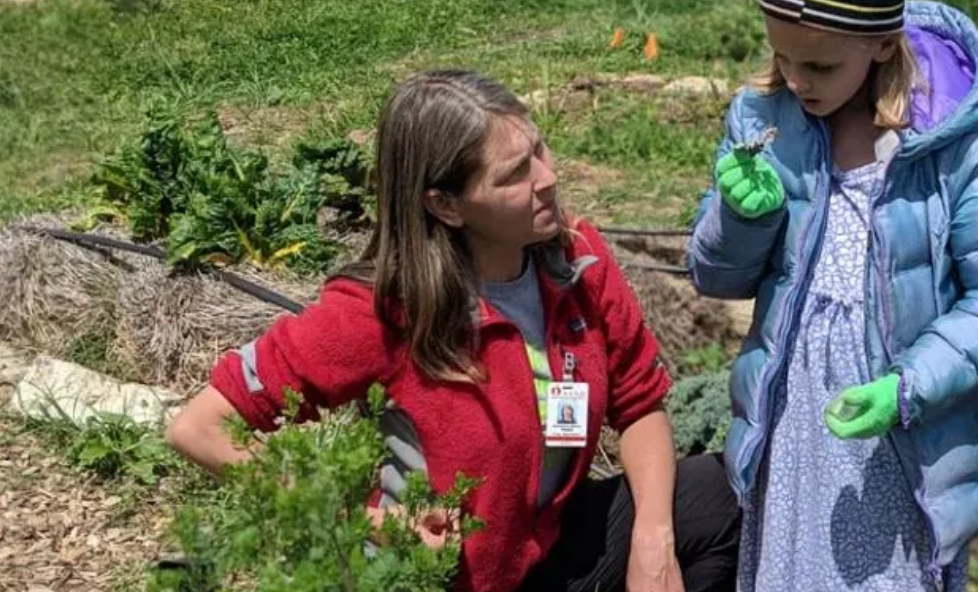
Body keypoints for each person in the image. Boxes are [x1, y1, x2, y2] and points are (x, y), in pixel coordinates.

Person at [165, 69, 741, 592]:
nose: (548, 177)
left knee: (715, 498)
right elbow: (201, 427)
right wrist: (363, 523)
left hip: (546, 552)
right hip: (444, 578)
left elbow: (640, 405)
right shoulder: (385, 311)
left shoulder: (577, 262)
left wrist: (653, 541)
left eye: (539, 149)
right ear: (445, 205)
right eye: (515, 173)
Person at [686, 0, 978, 592]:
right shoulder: (766, 120)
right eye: (782, 56)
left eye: (819, 67)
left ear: (881, 43)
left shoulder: (947, 145)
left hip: (899, 440)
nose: (796, 80)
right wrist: (740, 215)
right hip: (795, 426)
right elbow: (716, 275)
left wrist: (909, 385)